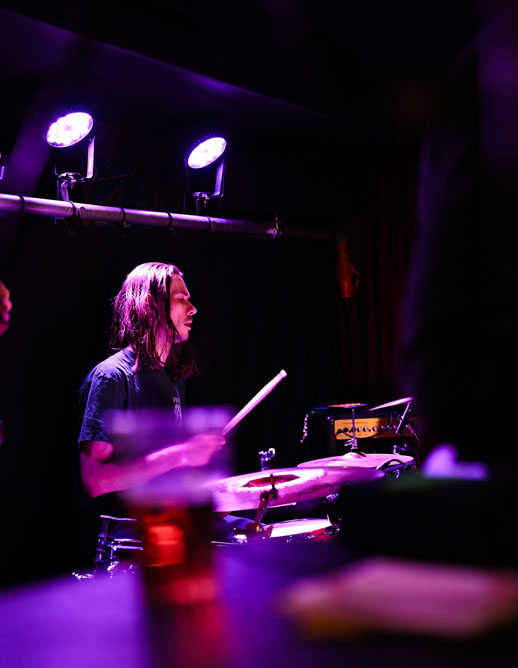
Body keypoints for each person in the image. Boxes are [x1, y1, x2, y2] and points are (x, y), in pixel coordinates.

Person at [76, 261, 246, 566]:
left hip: (172, 519)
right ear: (150, 306)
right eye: (181, 299)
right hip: (130, 534)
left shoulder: (173, 378)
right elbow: (96, 481)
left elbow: (167, 474)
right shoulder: (112, 377)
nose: (193, 309)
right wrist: (182, 453)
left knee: (256, 535)